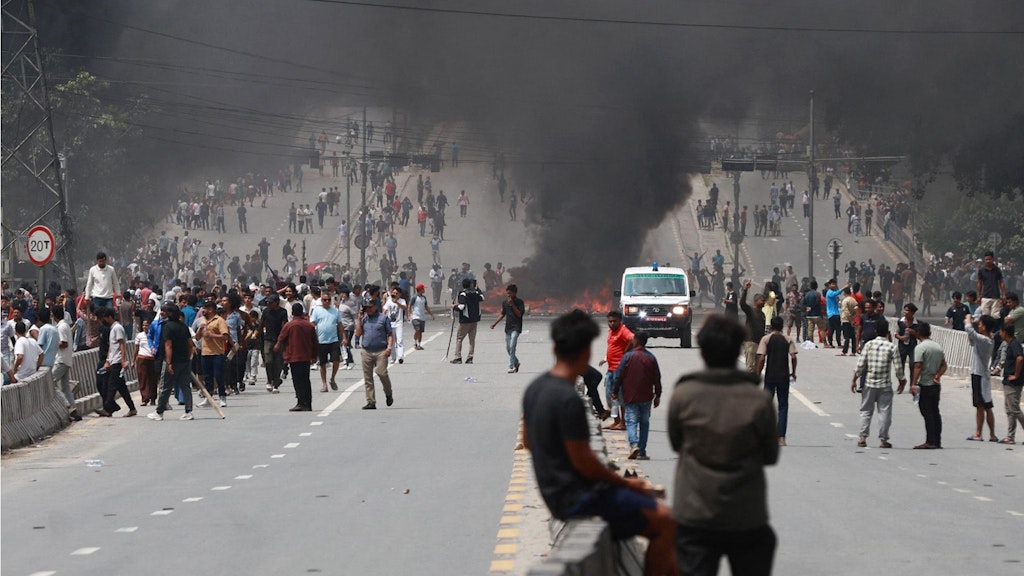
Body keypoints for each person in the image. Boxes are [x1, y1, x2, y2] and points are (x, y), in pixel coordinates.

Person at [522, 310, 677, 576]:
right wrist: (628, 483)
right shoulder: (567, 400)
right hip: (578, 498)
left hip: (556, 496)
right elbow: (585, 463)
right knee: (666, 521)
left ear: (554, 347)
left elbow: (528, 441)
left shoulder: (535, 388)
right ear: (586, 355)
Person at [669, 314, 778, 576]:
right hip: (746, 516)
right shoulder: (759, 400)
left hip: (695, 514)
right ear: (738, 348)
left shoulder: (684, 395)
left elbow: (677, 443)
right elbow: (770, 456)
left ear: (703, 350)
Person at [851, 321, 905, 448]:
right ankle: (883, 440)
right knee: (884, 412)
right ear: (887, 333)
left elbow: (860, 365)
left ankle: (862, 438)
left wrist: (854, 380)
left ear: (875, 331)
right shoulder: (892, 347)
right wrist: (902, 381)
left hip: (869, 383)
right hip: (885, 385)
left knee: (866, 411)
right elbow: (898, 368)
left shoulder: (869, 345)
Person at [611, 332, 662, 460]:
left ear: (635, 340)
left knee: (631, 421)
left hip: (631, 396)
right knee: (644, 423)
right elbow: (657, 378)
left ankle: (634, 444)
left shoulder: (628, 357)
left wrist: (614, 391)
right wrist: (658, 395)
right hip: (646, 396)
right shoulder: (651, 357)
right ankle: (642, 451)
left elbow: (619, 375)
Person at [148, 304, 196, 421]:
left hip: (172, 362)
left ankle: (159, 412)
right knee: (186, 387)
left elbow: (168, 345)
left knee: (165, 387)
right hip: (184, 361)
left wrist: (169, 363)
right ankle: (188, 411)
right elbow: (190, 344)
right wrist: (188, 358)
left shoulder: (167, 327)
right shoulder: (184, 326)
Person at [756, 316, 797, 446]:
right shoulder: (787, 339)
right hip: (783, 376)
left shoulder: (766, 339)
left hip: (770, 376)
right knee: (783, 406)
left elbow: (762, 358)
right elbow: (793, 356)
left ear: (772, 326)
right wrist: (793, 372)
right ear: (782, 326)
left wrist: (758, 373)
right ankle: (781, 438)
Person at [277, 303, 319, 411]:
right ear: (302, 312)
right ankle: (308, 403)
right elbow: (315, 342)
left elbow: (281, 339)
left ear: (292, 312)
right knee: (306, 380)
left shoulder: (289, 325)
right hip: (306, 357)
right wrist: (314, 356)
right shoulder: (309, 325)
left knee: (297, 381)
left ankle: (300, 402)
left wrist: (278, 349)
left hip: (294, 357)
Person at [910, 323, 946, 449]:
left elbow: (918, 366)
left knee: (927, 413)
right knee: (935, 412)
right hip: (935, 384)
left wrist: (913, 383)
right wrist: (938, 376)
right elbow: (944, 365)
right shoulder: (937, 346)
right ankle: (937, 440)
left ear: (918, 333)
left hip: (925, 384)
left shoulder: (920, 348)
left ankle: (930, 441)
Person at [964, 313, 999, 442]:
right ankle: (992, 434)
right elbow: (972, 340)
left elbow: (969, 330)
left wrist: (968, 319)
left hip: (978, 374)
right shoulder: (988, 339)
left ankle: (978, 433)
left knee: (980, 406)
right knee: (987, 406)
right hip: (983, 375)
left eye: (980, 324)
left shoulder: (985, 340)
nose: (978, 326)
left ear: (985, 327)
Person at [355, 293, 394, 409]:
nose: (368, 309)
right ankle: (371, 401)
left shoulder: (383, 318)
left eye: (370, 307)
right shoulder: (364, 319)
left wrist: (389, 348)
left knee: (381, 372)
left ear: (375, 306)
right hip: (366, 351)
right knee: (368, 378)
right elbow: (358, 334)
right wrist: (359, 319)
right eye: (366, 307)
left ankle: (388, 393)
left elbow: (390, 334)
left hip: (381, 350)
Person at [98, 307, 137, 417]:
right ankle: (132, 408)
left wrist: (123, 360)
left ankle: (108, 408)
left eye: (105, 318)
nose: (104, 320)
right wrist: (108, 361)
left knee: (112, 386)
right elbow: (112, 346)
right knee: (122, 387)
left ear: (109, 317)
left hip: (118, 361)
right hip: (113, 360)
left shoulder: (117, 328)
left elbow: (122, 344)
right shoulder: (112, 328)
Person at [598, 310, 633, 431]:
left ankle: (623, 422)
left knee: (621, 397)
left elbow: (632, 340)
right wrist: (606, 358)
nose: (612, 324)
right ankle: (616, 421)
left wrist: (626, 354)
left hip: (620, 370)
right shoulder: (610, 331)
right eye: (610, 321)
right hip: (611, 369)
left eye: (614, 321)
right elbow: (613, 347)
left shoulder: (623, 331)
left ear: (620, 321)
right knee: (609, 396)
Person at [196, 301, 229, 408]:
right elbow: (197, 338)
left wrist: (211, 335)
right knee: (207, 377)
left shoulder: (220, 320)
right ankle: (208, 397)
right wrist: (200, 329)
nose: (203, 311)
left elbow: (225, 337)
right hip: (205, 353)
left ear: (211, 309)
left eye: (205, 308)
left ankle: (222, 397)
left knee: (219, 376)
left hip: (217, 353)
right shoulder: (202, 321)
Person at [51, 307, 82, 420]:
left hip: (61, 360)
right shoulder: (64, 326)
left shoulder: (61, 327)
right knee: (65, 387)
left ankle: (67, 406)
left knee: (51, 382)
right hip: (66, 359)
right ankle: (74, 410)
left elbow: (64, 343)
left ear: (54, 315)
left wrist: (53, 344)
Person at [311, 292, 343, 392]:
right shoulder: (317, 311)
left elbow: (340, 324)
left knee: (336, 361)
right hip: (321, 341)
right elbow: (312, 324)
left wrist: (344, 337)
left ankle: (332, 378)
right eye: (325, 300)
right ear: (321, 301)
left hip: (333, 340)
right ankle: (324, 384)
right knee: (323, 363)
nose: (327, 302)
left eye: (329, 300)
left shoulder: (335, 311)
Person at [997, 324, 1024, 444]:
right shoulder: (1009, 344)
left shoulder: (1014, 344)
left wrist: (1016, 375)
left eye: (1001, 331)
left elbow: (1020, 359)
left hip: (1014, 382)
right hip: (1008, 381)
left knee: (1015, 409)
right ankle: (1010, 436)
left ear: (1005, 332)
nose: (999, 334)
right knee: (1009, 410)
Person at [490, 284, 524, 373]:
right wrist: (494, 324)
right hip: (508, 328)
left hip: (516, 327)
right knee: (509, 349)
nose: (508, 295)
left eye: (510, 293)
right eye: (507, 293)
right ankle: (516, 362)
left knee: (513, 346)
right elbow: (502, 314)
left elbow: (519, 314)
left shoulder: (519, 302)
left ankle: (511, 366)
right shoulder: (505, 302)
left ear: (515, 293)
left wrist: (513, 305)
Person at [450, 278, 483, 364]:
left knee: (459, 339)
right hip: (475, 320)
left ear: (463, 285)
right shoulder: (475, 293)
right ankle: (470, 357)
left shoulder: (463, 294)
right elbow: (482, 297)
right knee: (472, 340)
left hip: (465, 320)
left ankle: (458, 357)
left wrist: (454, 307)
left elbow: (461, 307)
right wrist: (477, 288)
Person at [261, 294, 288, 393]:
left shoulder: (282, 312)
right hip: (267, 339)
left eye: (271, 302)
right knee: (268, 361)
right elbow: (262, 324)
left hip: (278, 340)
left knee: (277, 363)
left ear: (276, 303)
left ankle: (276, 383)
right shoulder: (266, 311)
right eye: (268, 302)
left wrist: (280, 342)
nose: (269, 304)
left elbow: (284, 327)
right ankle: (269, 380)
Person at [739, 281, 766, 373]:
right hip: (750, 342)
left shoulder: (762, 314)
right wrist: (745, 289)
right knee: (750, 368)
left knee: (758, 368)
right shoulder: (750, 311)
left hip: (759, 343)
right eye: (762, 300)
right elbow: (742, 303)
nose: (764, 302)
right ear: (756, 301)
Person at [976, 251, 1006, 318]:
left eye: (989, 259)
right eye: (986, 259)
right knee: (985, 316)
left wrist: (1004, 294)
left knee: (995, 316)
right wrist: (978, 296)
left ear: (993, 259)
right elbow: (979, 283)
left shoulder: (997, 270)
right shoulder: (981, 270)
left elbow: (1001, 282)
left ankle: (994, 328)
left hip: (996, 297)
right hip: (985, 296)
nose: (988, 261)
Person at [384, 285, 407, 365]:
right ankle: (393, 358)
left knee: (399, 340)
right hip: (390, 324)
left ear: (399, 294)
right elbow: (385, 310)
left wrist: (396, 302)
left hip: (398, 323)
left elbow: (405, 308)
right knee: (392, 342)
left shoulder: (402, 301)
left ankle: (400, 357)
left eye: (396, 293)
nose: (394, 294)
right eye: (393, 293)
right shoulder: (389, 301)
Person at [409, 284, 435, 351]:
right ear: (420, 290)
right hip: (415, 316)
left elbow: (426, 307)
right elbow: (409, 306)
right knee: (417, 330)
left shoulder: (424, 298)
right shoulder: (414, 297)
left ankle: (419, 344)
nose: (424, 290)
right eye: (423, 289)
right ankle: (415, 343)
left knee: (420, 331)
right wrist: (409, 314)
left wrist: (431, 314)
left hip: (422, 317)